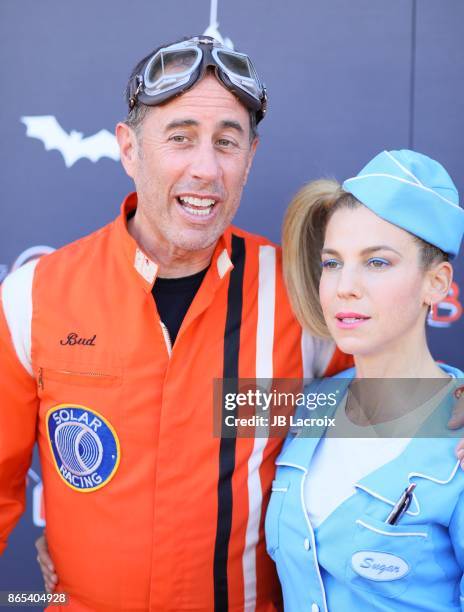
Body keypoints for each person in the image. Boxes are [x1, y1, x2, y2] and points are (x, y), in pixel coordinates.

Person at [0, 36, 351, 611]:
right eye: (180, 138)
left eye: (227, 143)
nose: (206, 169)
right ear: (130, 149)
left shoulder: (301, 295)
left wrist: (448, 408)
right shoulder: (32, 296)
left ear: (250, 157)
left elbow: (375, 420)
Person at [265, 149, 464, 611]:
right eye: (332, 262)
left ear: (436, 283)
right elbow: (180, 421)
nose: (344, 286)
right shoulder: (305, 405)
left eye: (377, 262)